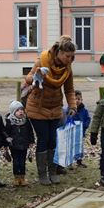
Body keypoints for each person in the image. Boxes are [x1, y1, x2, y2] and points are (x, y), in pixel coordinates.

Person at [25, 35, 77, 185]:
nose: (70, 59)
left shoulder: (67, 69)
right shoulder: (43, 60)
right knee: (44, 139)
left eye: (72, 57)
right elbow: (28, 79)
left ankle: (52, 172)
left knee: (53, 140)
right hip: (37, 108)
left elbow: (69, 89)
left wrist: (72, 105)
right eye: (68, 56)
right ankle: (42, 174)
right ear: (59, 52)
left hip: (55, 108)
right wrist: (37, 75)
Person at [5, 101, 34, 186]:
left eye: (22, 109)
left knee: (22, 162)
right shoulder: (10, 122)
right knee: (16, 162)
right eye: (18, 110)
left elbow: (30, 132)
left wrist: (31, 141)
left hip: (24, 145)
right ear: (13, 112)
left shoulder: (26, 121)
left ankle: (22, 177)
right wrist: (7, 143)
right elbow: (6, 133)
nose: (21, 111)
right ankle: (16, 177)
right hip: (14, 146)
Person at [69, 90, 91, 168]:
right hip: (72, 133)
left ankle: (79, 161)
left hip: (81, 133)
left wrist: (84, 125)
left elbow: (88, 119)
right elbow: (68, 120)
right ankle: (70, 162)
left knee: (79, 147)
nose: (77, 101)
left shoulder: (84, 111)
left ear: (81, 100)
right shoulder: (70, 110)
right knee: (71, 147)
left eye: (78, 99)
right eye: (75, 99)